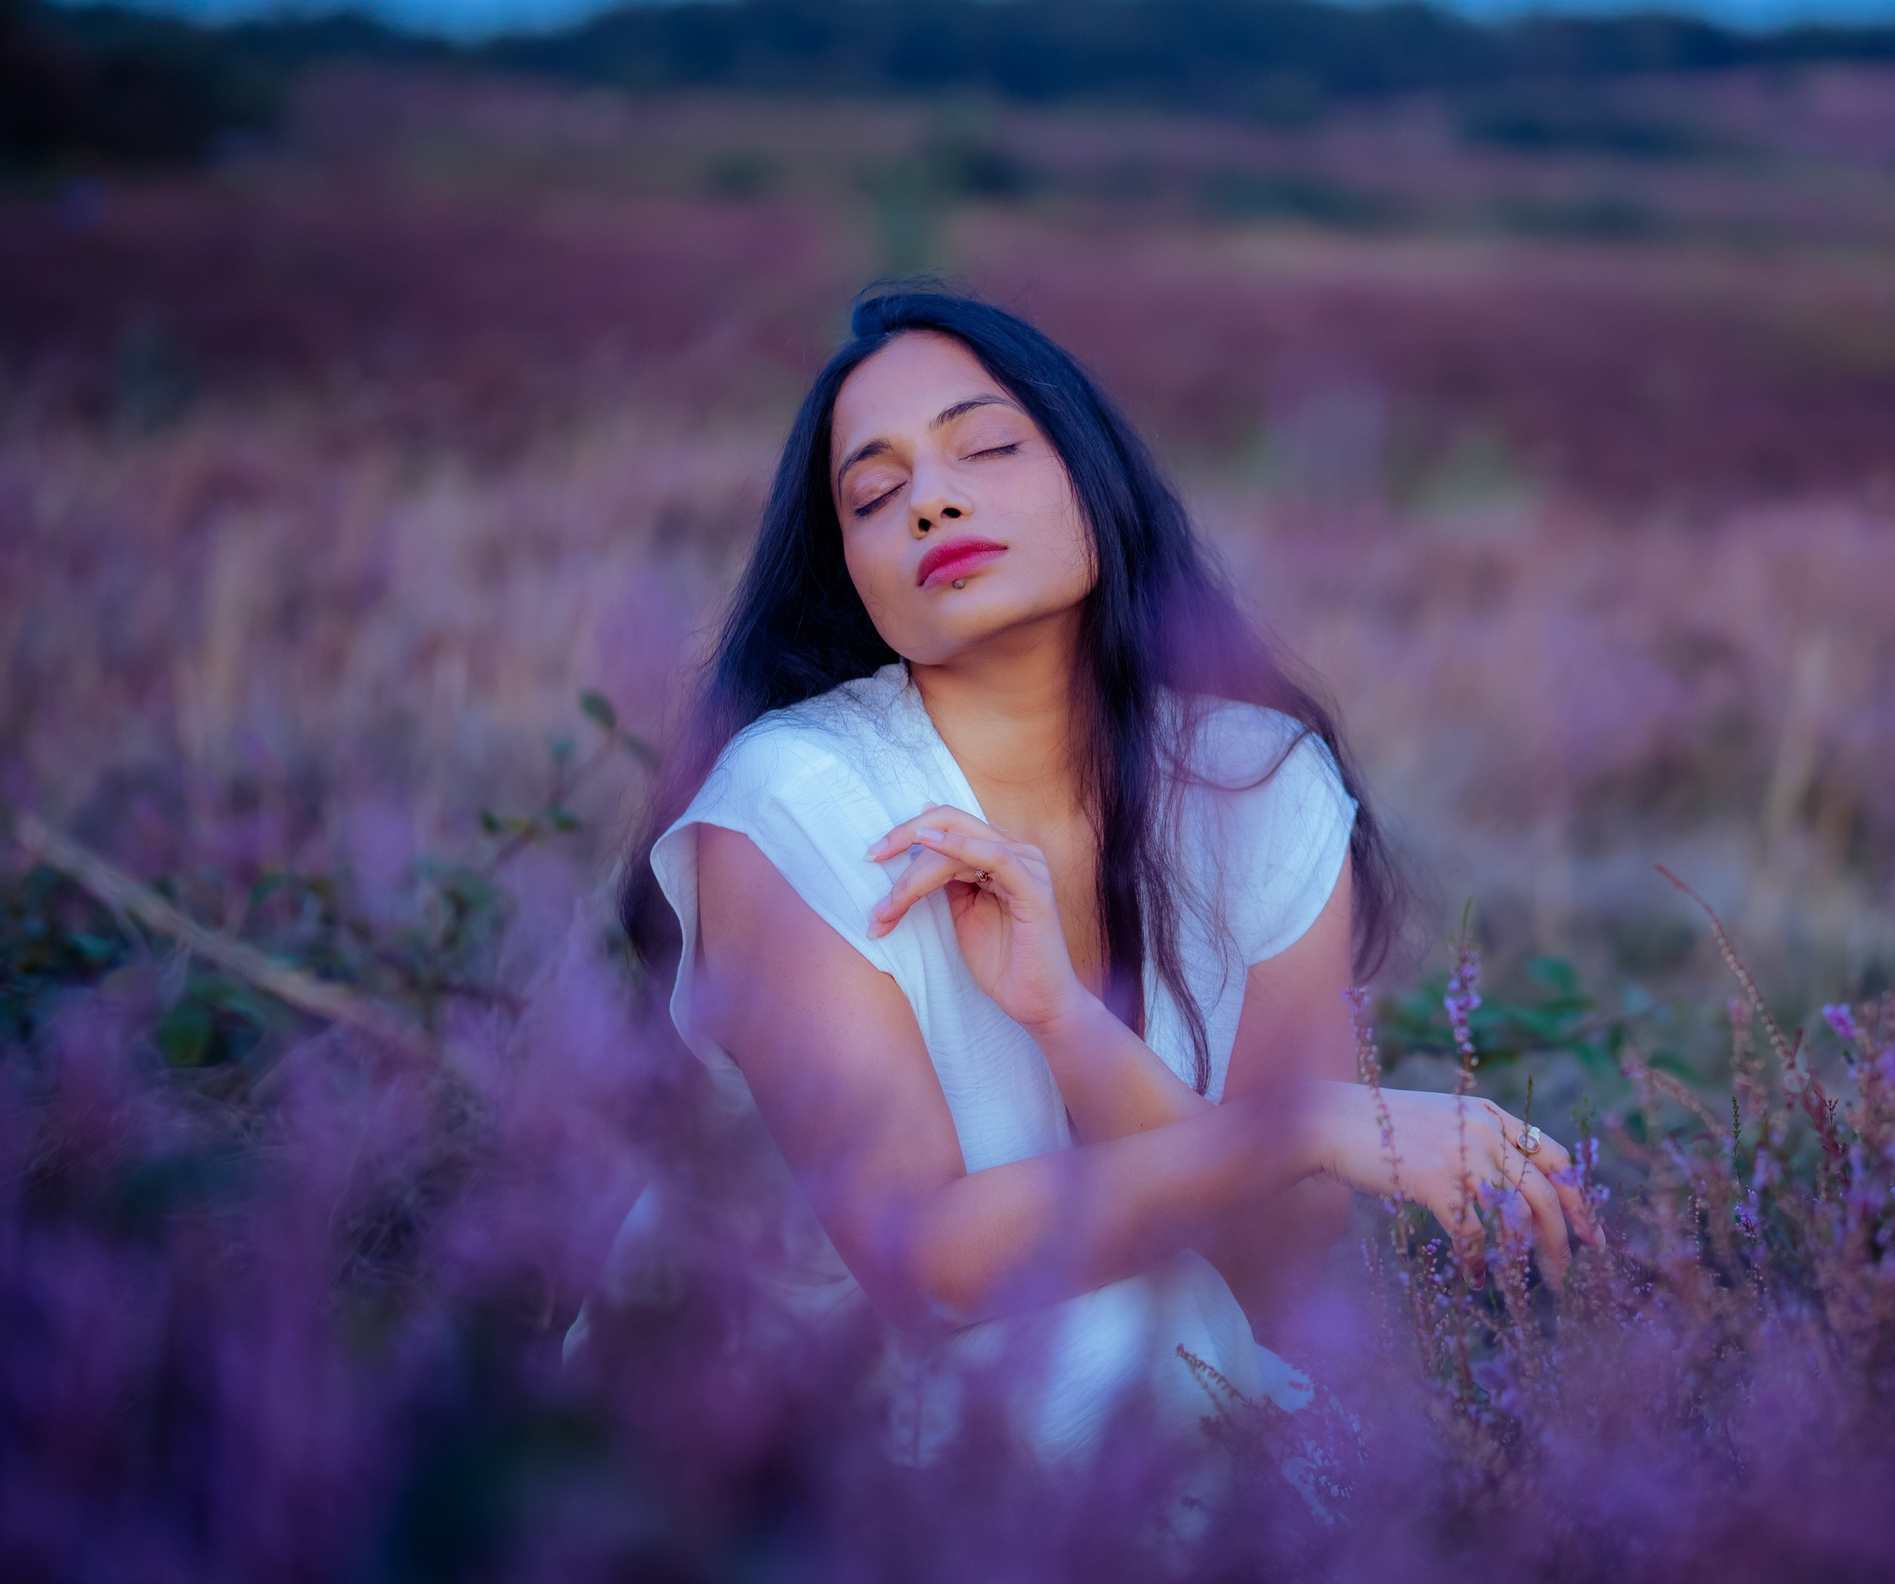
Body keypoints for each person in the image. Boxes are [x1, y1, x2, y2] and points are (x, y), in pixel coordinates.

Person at [601, 291, 1596, 1460]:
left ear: (1094, 474)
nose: (934, 498)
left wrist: (1069, 1027)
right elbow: (919, 1262)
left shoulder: (1259, 786)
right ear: (854, 574)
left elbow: (1268, 1273)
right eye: (875, 494)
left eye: (987, 446)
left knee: (1176, 1362)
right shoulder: (796, 800)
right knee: (1122, 1356)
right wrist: (1304, 1125)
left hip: (1142, 1366)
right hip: (779, 1397)